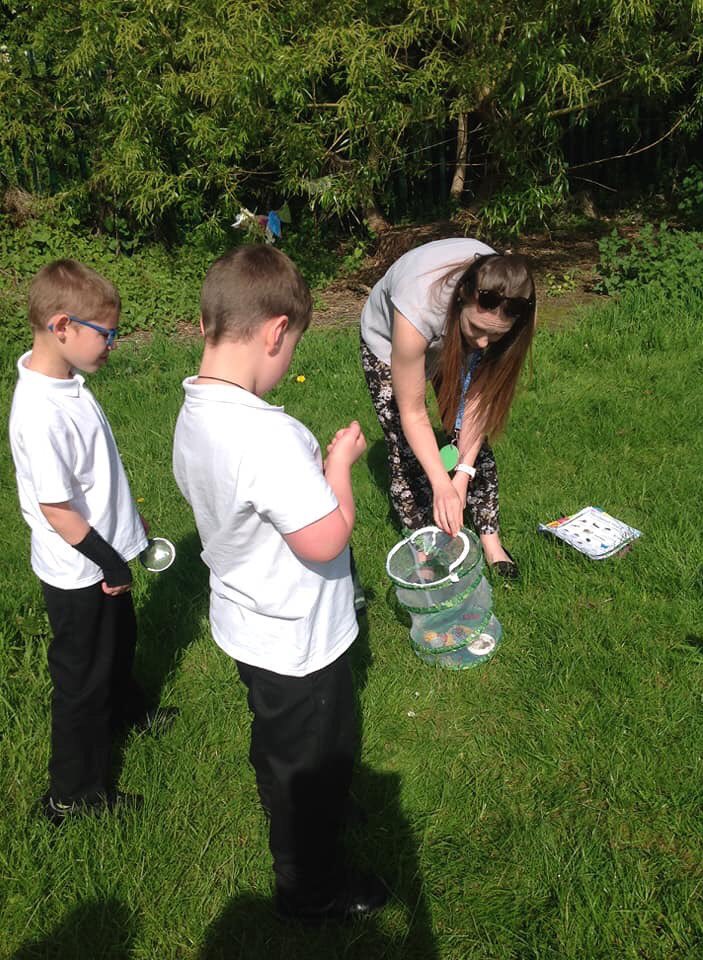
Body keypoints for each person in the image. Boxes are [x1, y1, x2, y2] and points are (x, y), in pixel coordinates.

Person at [172, 244, 388, 923]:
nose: (289, 356)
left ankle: (302, 799)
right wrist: (341, 463)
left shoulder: (192, 415)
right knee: (318, 750)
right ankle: (309, 885)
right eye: (291, 344)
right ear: (274, 333)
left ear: (206, 326)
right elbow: (327, 537)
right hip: (300, 641)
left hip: (246, 623)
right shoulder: (269, 437)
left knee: (280, 739)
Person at [8, 259, 161, 825]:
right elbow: (56, 509)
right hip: (79, 571)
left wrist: (129, 531)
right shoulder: (38, 412)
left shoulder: (68, 382)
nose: (113, 345)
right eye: (107, 334)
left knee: (119, 645)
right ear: (62, 325)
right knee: (81, 680)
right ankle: (72, 796)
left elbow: (98, 477)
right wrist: (109, 561)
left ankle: (126, 711)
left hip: (106, 553)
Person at [360, 237, 537, 578]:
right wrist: (442, 484)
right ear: (462, 298)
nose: (484, 344)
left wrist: (462, 477)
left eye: (495, 337)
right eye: (478, 330)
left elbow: (477, 405)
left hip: (446, 328)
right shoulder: (419, 306)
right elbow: (413, 412)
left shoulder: (507, 302)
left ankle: (491, 542)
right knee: (405, 451)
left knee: (470, 440)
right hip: (389, 341)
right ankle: (427, 550)